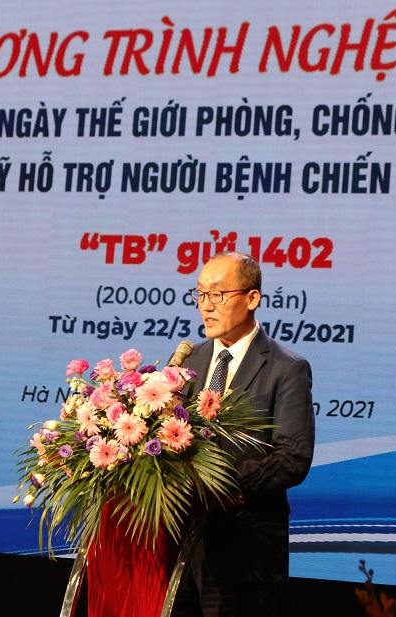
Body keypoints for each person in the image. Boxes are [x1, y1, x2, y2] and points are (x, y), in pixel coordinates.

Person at [174, 251, 315, 617]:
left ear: (252, 298)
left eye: (218, 294)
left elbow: (293, 457)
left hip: (244, 549)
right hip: (180, 547)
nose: (206, 305)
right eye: (200, 294)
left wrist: (218, 484)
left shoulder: (286, 368)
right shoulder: (188, 362)